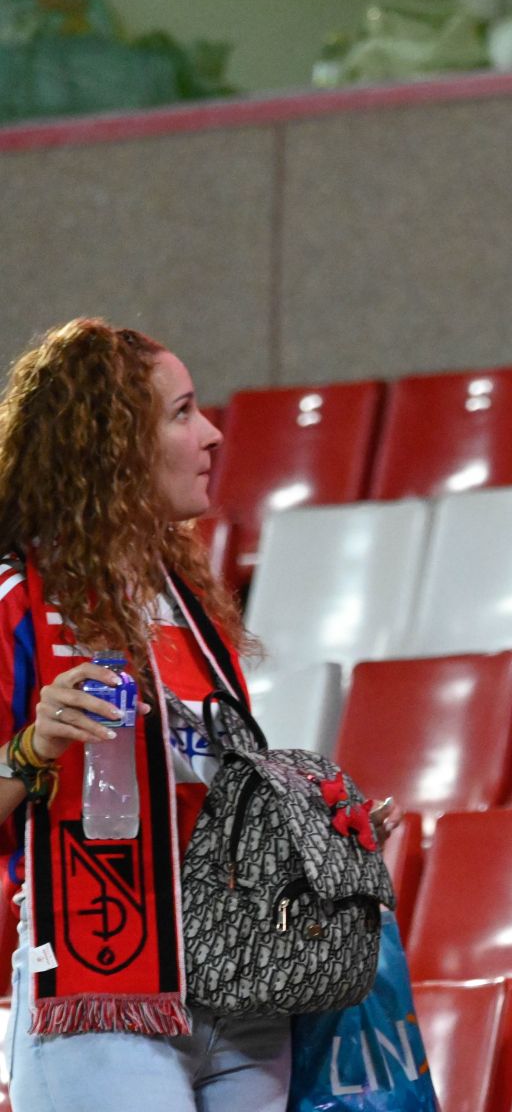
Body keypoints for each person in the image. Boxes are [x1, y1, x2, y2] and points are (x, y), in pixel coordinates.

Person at [0, 319, 278, 1110]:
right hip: (102, 995)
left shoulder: (195, 609)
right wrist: (31, 747)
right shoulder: (18, 599)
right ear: (113, 447)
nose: (214, 433)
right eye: (183, 412)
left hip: (240, 991)